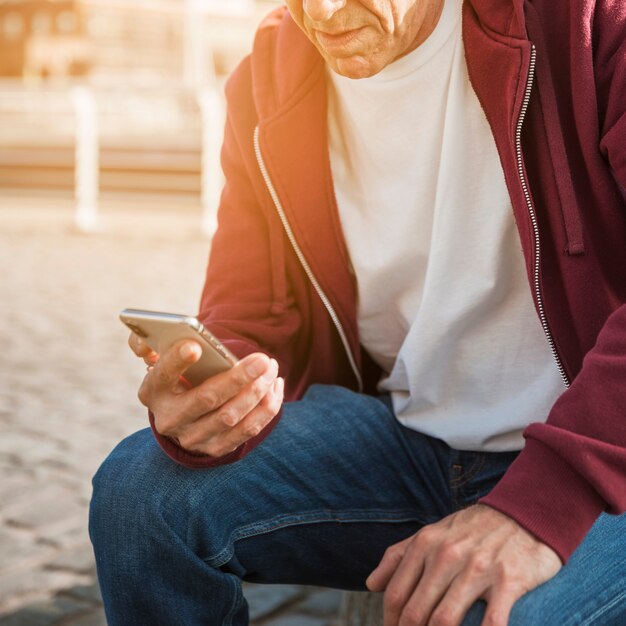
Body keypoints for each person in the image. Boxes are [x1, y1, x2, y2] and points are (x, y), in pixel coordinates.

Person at [89, 0, 626, 624]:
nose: (322, 11)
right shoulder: (271, 75)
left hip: (600, 461)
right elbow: (251, 308)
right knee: (140, 497)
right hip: (413, 446)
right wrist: (218, 391)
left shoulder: (589, 23)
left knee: (490, 614)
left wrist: (544, 503)